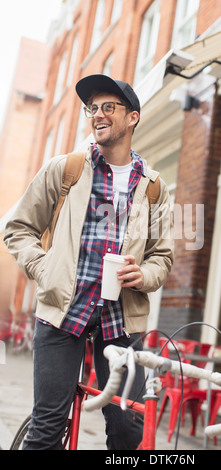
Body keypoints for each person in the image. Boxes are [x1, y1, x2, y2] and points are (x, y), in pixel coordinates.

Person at [4, 74, 174, 450]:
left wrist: (142, 273)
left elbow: (162, 257)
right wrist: (45, 268)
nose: (97, 114)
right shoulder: (65, 169)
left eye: (107, 107)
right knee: (48, 427)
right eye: (92, 108)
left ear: (132, 117)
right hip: (63, 314)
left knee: (130, 426)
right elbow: (17, 229)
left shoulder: (154, 187)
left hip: (120, 322)